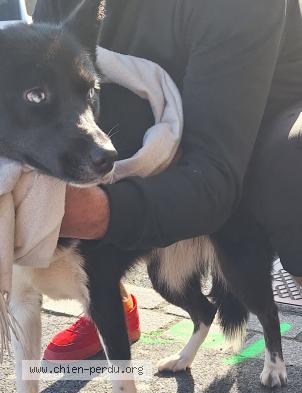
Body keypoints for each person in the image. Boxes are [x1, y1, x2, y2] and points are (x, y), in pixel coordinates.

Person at [33, 0, 302, 361]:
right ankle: (107, 300)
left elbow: (212, 173)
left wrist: (99, 212)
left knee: (290, 161)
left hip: (252, 124)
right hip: (145, 127)